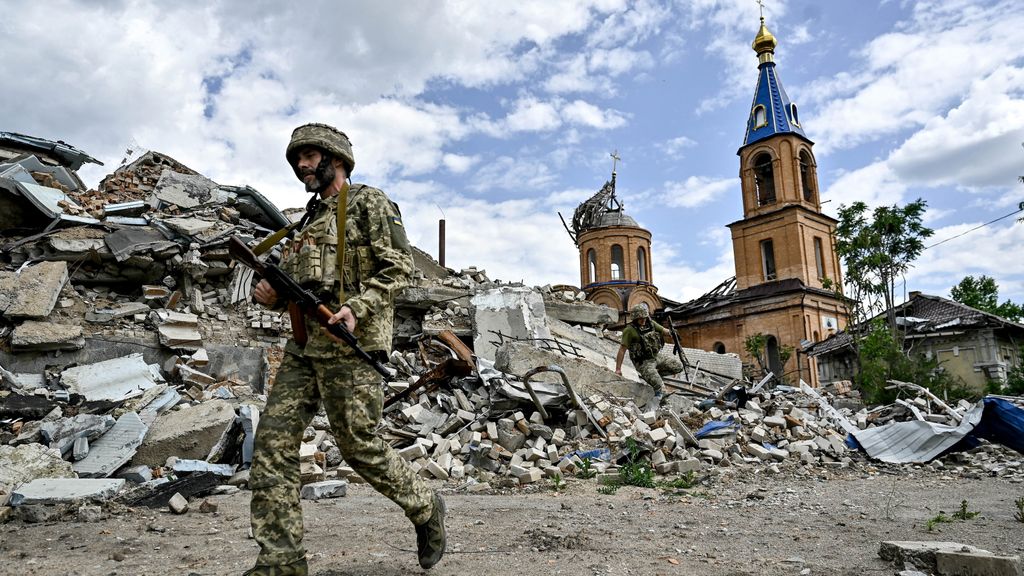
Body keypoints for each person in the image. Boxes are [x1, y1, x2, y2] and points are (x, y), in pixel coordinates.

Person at [245, 123, 446, 575]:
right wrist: (274, 298)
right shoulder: (307, 221)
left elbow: (399, 269)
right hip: (304, 349)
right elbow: (302, 288)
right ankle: (282, 561)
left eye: (311, 156)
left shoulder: (369, 203)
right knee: (272, 447)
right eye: (298, 159)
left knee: (359, 446)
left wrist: (356, 307)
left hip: (353, 349)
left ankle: (426, 506)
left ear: (336, 158)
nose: (302, 165)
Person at [614, 305, 683, 403]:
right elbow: (622, 350)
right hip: (643, 362)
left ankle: (653, 374)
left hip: (656, 356)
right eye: (640, 319)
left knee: (678, 366)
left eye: (645, 318)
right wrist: (618, 369)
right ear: (635, 318)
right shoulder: (629, 331)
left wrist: (672, 332)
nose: (643, 320)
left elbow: (665, 331)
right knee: (660, 387)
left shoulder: (651, 324)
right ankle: (657, 393)